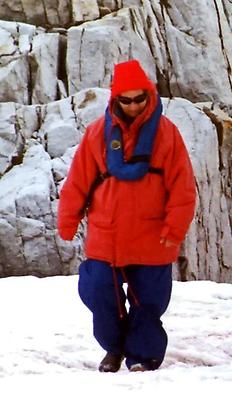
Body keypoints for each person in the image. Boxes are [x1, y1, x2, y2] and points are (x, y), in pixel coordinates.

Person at [57, 59, 196, 373]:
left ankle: (143, 357)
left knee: (149, 303)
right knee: (97, 290)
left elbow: (183, 187)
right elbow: (77, 181)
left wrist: (175, 228)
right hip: (107, 236)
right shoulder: (96, 134)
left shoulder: (168, 134)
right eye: (126, 100)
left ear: (149, 95)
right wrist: (68, 221)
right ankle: (114, 348)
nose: (134, 106)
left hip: (153, 237)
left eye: (140, 99)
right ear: (115, 99)